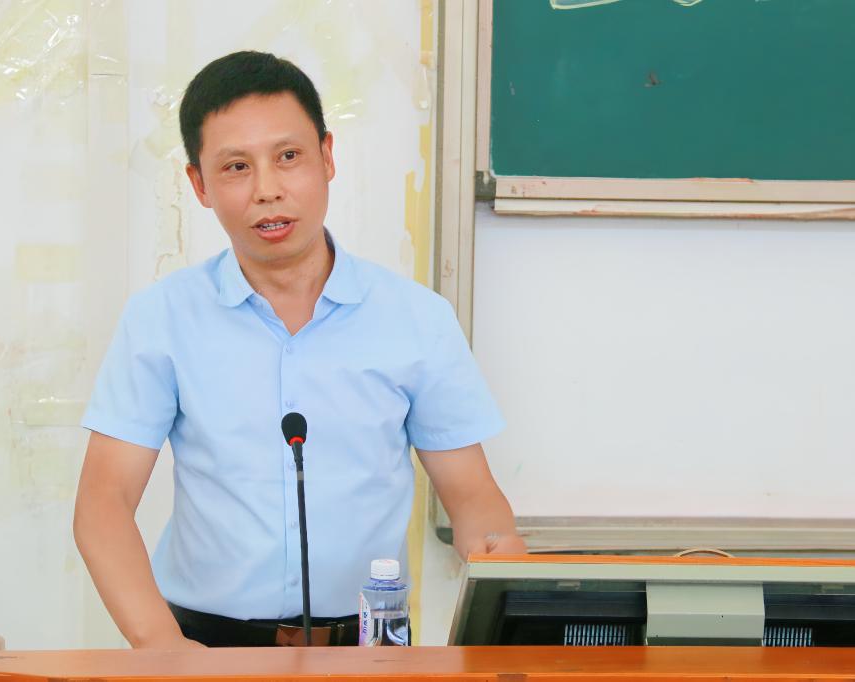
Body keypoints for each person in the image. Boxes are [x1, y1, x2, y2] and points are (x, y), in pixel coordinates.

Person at [73, 51, 525, 649]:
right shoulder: (162, 319)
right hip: (201, 646)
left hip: (371, 648)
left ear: (328, 157)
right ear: (199, 185)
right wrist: (166, 650)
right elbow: (103, 506)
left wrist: (506, 570)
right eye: (236, 167)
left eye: (288, 157)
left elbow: (473, 501)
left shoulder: (417, 320)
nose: (268, 190)